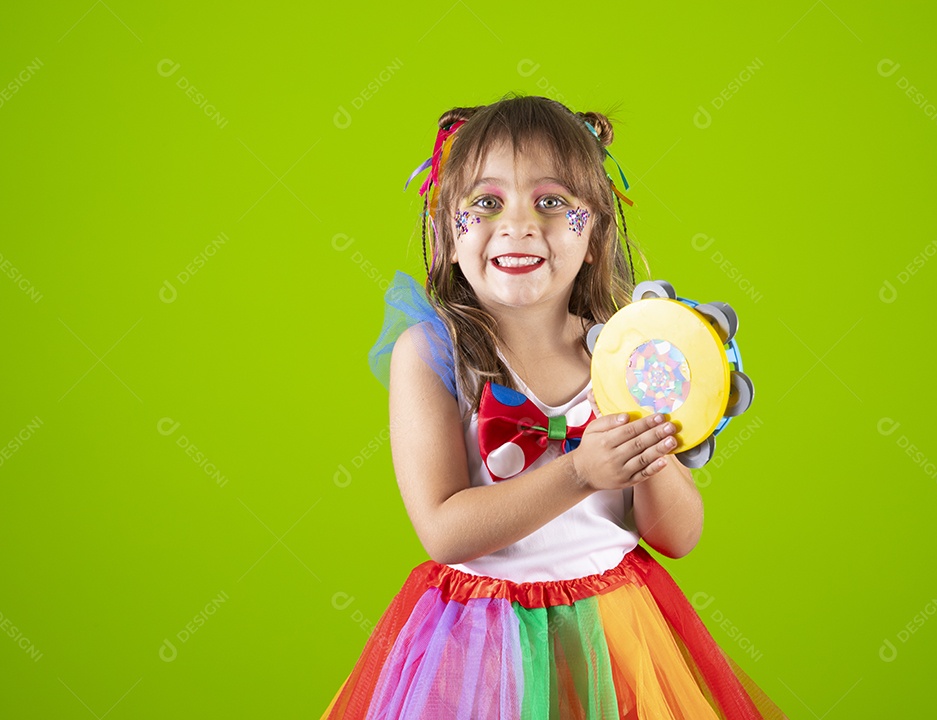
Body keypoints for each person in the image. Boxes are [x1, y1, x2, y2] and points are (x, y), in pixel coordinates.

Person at [321, 94, 787, 719]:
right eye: (486, 202)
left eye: (551, 202)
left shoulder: (626, 353)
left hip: (614, 636)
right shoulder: (432, 354)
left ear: (593, 234)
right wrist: (581, 472)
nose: (518, 224)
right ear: (447, 234)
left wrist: (651, 448)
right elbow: (444, 530)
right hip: (480, 646)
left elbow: (678, 537)